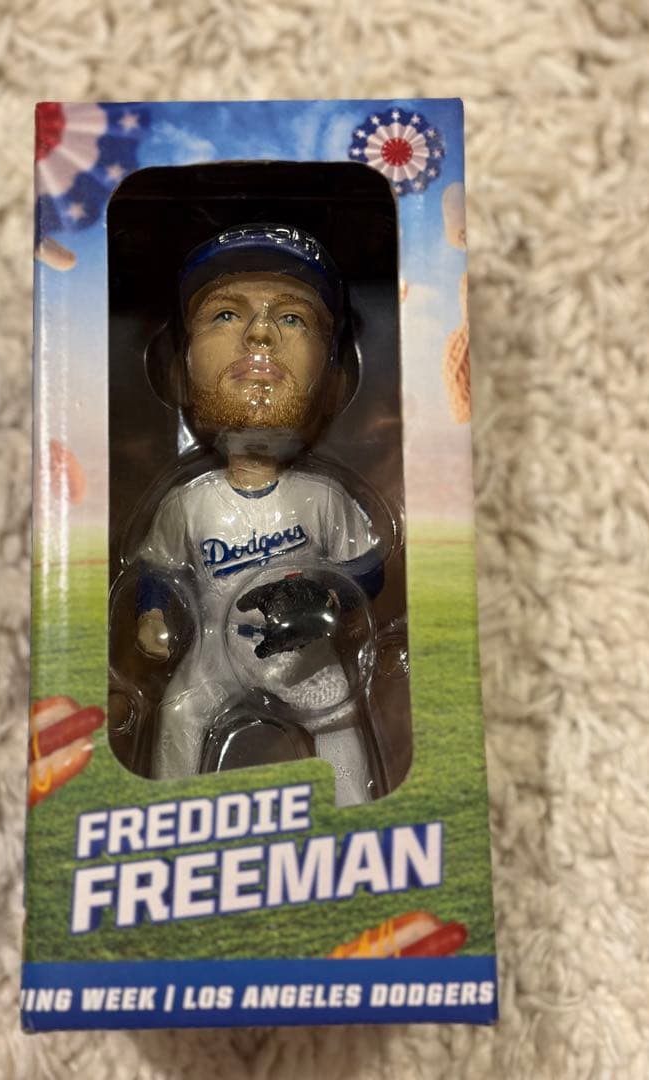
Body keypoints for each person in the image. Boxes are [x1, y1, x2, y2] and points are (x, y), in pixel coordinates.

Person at [134, 224, 383, 805]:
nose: (260, 333)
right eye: (225, 315)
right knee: (179, 714)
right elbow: (158, 569)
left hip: (305, 657)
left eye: (292, 318)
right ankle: (169, 827)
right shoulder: (189, 500)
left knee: (338, 718)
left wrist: (327, 598)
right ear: (180, 370)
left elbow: (367, 568)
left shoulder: (321, 496)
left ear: (334, 377)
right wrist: (153, 612)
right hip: (213, 654)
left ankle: (361, 823)